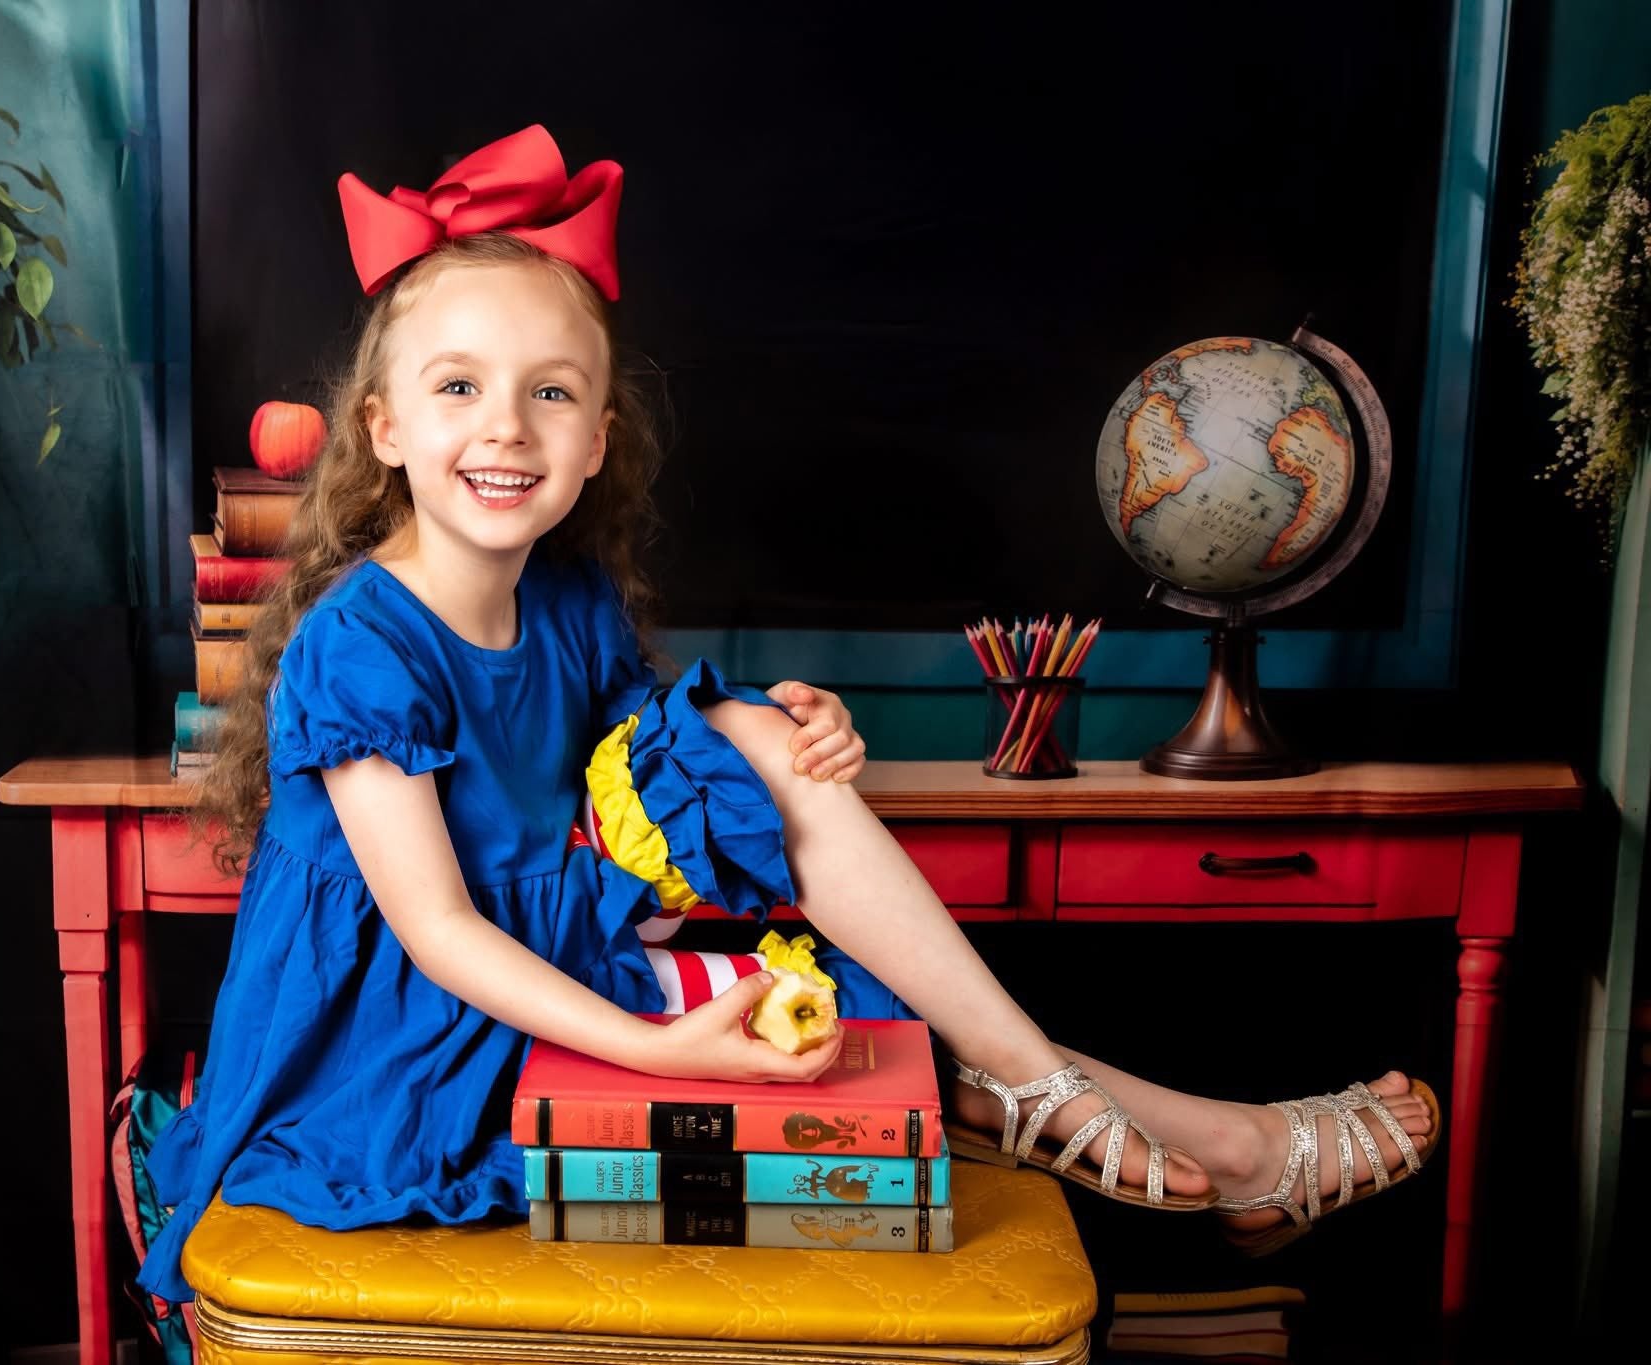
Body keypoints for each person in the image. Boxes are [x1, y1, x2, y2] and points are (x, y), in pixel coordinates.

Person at [136, 126, 1436, 1301]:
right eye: (459, 387)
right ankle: (1218, 1144)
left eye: (551, 391)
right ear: (383, 426)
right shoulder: (360, 643)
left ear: (598, 439)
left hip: (559, 955)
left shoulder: (570, 601)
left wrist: (797, 737)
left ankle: (1123, 1114)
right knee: (857, 1011)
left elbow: (660, 778)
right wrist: (653, 1045)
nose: (509, 427)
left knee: (797, 862)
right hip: (399, 1035)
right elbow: (437, 933)